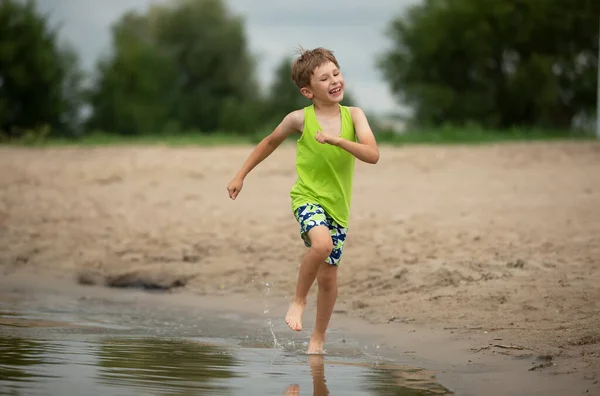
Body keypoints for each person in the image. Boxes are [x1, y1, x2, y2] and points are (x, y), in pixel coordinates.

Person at [227, 47, 379, 354]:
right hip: (306, 197)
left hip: (339, 206)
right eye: (325, 78)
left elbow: (372, 155)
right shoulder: (299, 119)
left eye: (336, 73)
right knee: (321, 246)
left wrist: (337, 140)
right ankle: (298, 300)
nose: (334, 81)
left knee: (329, 276)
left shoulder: (355, 115)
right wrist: (240, 174)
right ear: (308, 91)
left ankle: (318, 338)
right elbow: (269, 142)